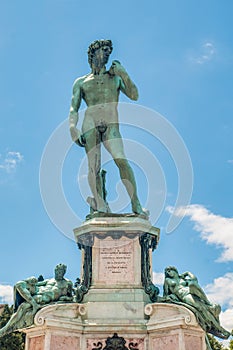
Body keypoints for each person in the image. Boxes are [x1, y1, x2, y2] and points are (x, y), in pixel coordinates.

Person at [69, 39, 144, 215]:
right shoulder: (81, 81)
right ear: (93, 54)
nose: (107, 55)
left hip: (111, 125)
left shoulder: (115, 77)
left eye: (109, 52)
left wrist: (124, 74)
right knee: (93, 166)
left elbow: (134, 95)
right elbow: (74, 107)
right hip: (90, 123)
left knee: (121, 160)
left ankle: (136, 204)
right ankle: (100, 203)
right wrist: (72, 126)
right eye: (104, 51)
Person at [0, 264, 74, 336]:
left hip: (43, 298)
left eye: (60, 272)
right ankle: (34, 304)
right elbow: (36, 284)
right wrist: (30, 280)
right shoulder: (49, 280)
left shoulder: (67, 283)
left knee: (23, 306)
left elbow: (71, 297)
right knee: (19, 284)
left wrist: (65, 298)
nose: (58, 273)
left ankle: (5, 330)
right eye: (57, 271)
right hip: (37, 291)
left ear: (64, 272)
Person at [162, 266, 230, 339]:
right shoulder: (167, 280)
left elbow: (194, 280)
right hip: (184, 295)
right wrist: (171, 296)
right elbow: (166, 294)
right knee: (202, 308)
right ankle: (220, 329)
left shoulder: (182, 279)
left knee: (193, 284)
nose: (168, 273)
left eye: (170, 270)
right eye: (167, 272)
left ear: (175, 270)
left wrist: (187, 273)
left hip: (192, 292)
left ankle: (208, 303)